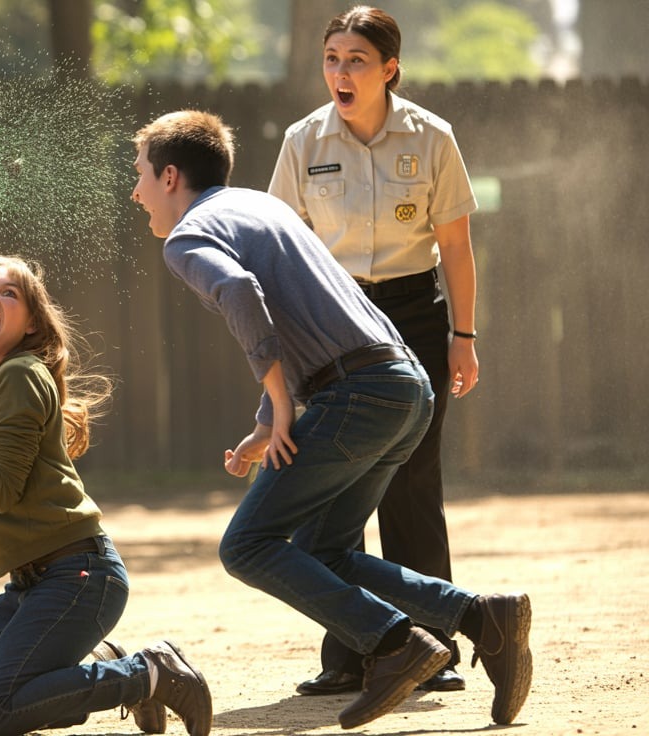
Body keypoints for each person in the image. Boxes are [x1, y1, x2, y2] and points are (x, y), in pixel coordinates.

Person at [129, 109, 530, 729]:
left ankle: (396, 644)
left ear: (172, 176)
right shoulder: (261, 209)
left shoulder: (188, 237)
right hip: (404, 387)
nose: (137, 191)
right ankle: (483, 618)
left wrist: (283, 402)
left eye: (141, 176)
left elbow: (240, 293)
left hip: (356, 394)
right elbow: (299, 309)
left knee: (247, 545)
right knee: (330, 551)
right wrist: (269, 420)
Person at [0, 255, 213, 736]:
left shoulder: (21, 374)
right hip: (30, 585)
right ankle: (104, 662)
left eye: (8, 293)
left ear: (32, 322)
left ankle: (148, 672)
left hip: (79, 576)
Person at [267, 5, 481, 694]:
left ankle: (434, 651)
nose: (340, 72)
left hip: (414, 316)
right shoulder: (303, 140)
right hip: (331, 320)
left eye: (355, 59)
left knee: (413, 479)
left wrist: (463, 338)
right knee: (335, 480)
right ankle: (353, 656)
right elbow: (280, 251)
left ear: (389, 68)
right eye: (332, 59)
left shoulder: (433, 137)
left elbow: (454, 246)